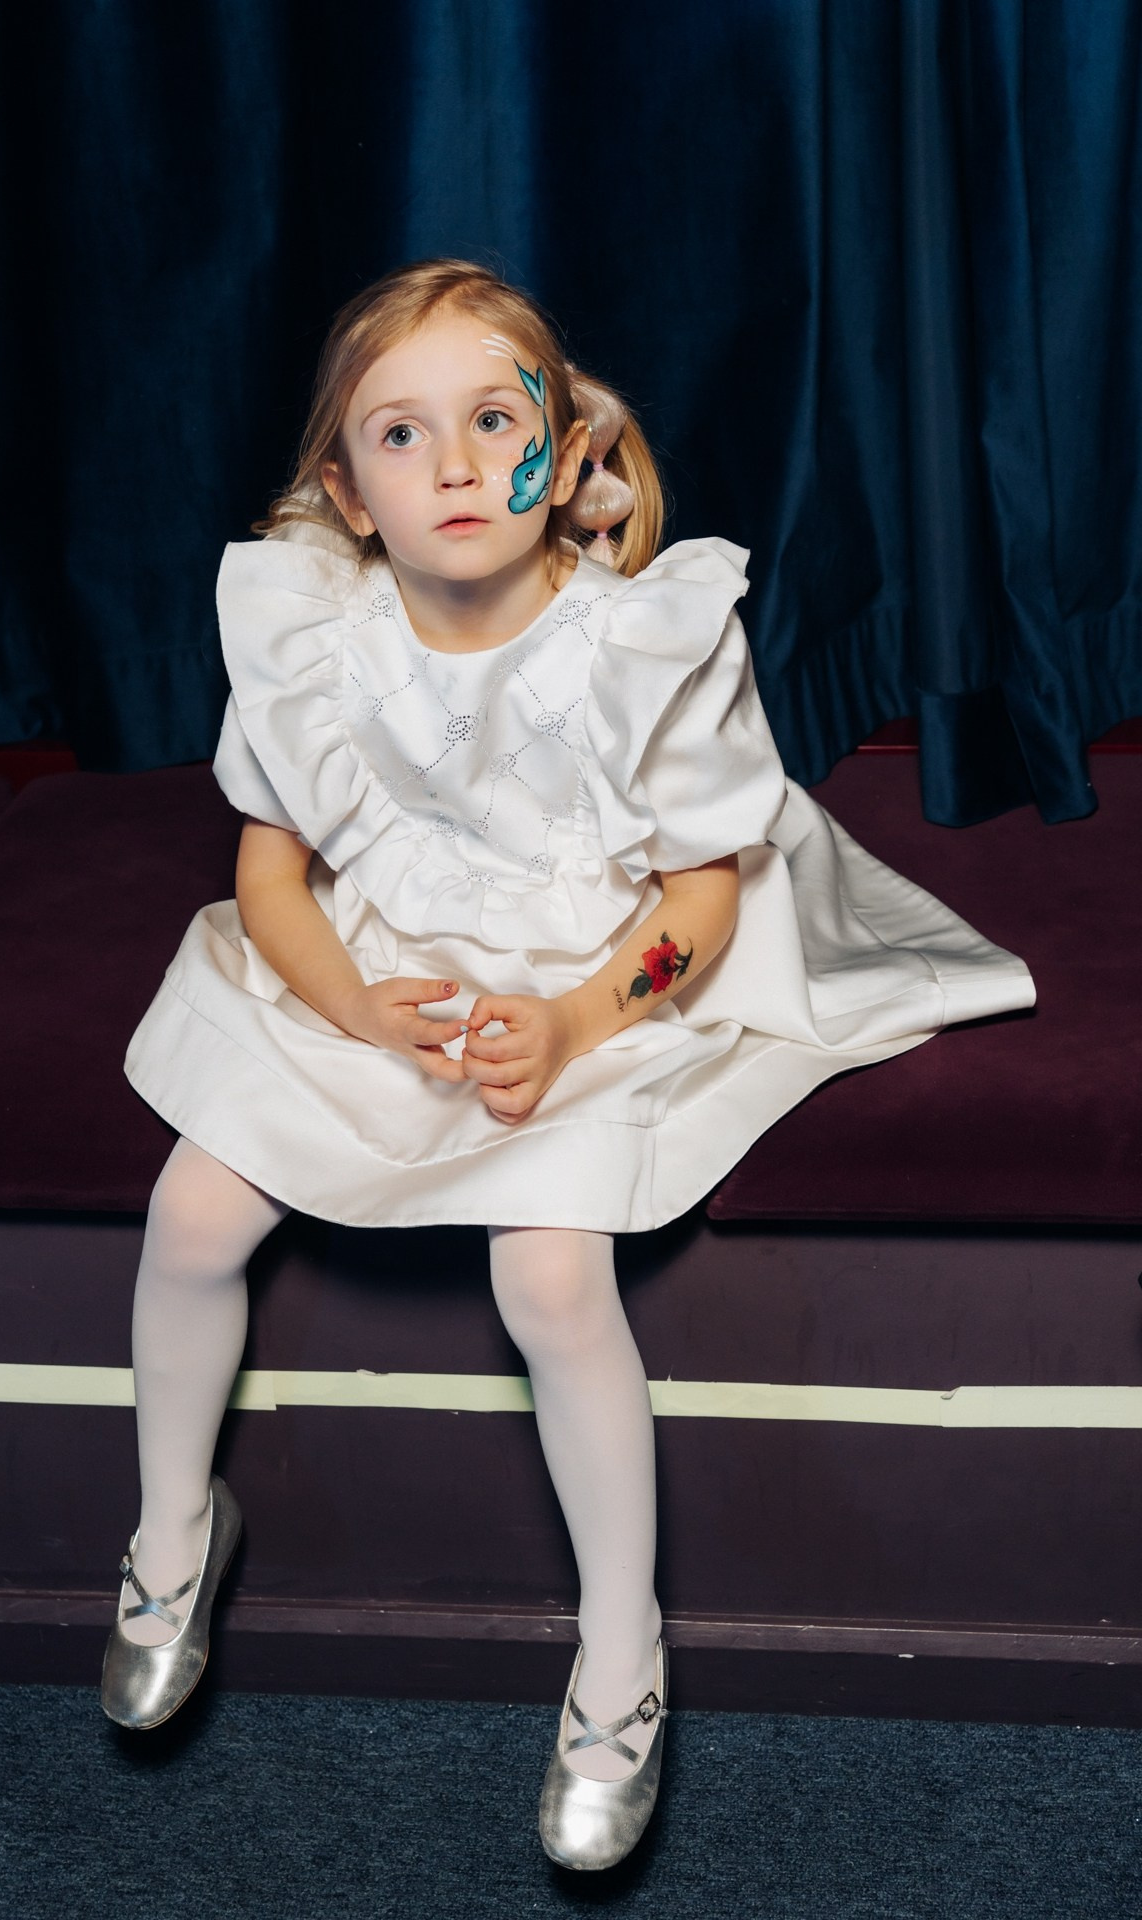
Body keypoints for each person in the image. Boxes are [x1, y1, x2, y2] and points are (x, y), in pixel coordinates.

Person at [101, 258, 1036, 1870]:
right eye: (403, 434)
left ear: (569, 446)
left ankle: (620, 1650)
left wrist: (579, 1022)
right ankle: (172, 1526)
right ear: (349, 489)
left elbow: (700, 901)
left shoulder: (638, 642)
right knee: (190, 1214)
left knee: (547, 1274)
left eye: (495, 419)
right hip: (386, 963)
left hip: (606, 963)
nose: (458, 465)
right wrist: (360, 1010)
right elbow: (271, 881)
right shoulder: (315, 629)